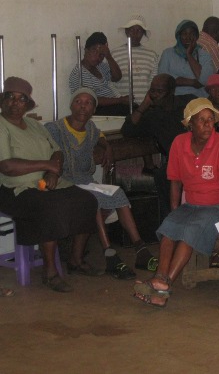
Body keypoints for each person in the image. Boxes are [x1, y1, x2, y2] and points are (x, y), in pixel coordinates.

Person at [133, 98, 219, 308]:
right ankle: (160, 278)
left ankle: (165, 283)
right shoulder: (179, 143)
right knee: (169, 228)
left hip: (216, 207)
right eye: (202, 120)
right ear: (190, 124)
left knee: (189, 233)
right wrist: (176, 210)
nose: (209, 125)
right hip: (190, 205)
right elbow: (175, 181)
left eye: (211, 120)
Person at [45, 88, 158, 280]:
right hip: (64, 182)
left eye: (88, 102)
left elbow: (100, 136)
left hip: (84, 181)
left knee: (118, 194)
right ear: (71, 105)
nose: (83, 106)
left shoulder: (91, 129)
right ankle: (109, 254)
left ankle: (140, 250)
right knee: (93, 200)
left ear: (94, 109)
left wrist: (106, 147)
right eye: (78, 101)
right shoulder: (55, 128)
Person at [0, 77, 99, 293]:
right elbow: (7, 166)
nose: (15, 103)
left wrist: (50, 172)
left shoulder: (35, 125)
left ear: (27, 104)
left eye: (21, 99)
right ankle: (49, 271)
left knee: (87, 201)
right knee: (50, 207)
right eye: (10, 97)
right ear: (2, 100)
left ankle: (75, 259)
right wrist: (47, 165)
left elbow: (57, 151)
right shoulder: (1, 126)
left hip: (46, 182)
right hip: (15, 190)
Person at [120, 74, 187, 220]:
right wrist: (144, 105)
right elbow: (127, 131)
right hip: (175, 162)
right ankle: (169, 225)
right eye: (152, 90)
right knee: (162, 175)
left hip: (199, 157)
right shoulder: (152, 116)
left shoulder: (187, 102)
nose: (155, 95)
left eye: (159, 91)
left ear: (171, 92)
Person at [69, 32, 131, 116]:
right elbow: (91, 99)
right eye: (95, 52)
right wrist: (120, 100)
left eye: (102, 55)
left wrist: (108, 56)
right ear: (86, 50)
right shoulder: (78, 73)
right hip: (98, 109)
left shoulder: (100, 66)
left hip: (115, 106)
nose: (98, 57)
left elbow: (117, 77)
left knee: (138, 110)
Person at [158, 19, 214, 100]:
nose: (188, 37)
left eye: (192, 34)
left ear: (196, 36)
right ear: (179, 36)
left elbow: (204, 80)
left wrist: (189, 55)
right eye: (184, 34)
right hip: (174, 99)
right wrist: (192, 82)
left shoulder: (204, 55)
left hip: (198, 100)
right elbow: (163, 79)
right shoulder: (168, 53)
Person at [111, 14, 159, 105]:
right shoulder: (114, 54)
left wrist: (146, 102)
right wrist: (120, 99)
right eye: (131, 29)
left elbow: (153, 81)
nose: (135, 33)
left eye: (139, 30)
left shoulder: (152, 55)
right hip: (121, 105)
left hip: (144, 105)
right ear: (126, 31)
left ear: (143, 33)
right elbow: (109, 82)